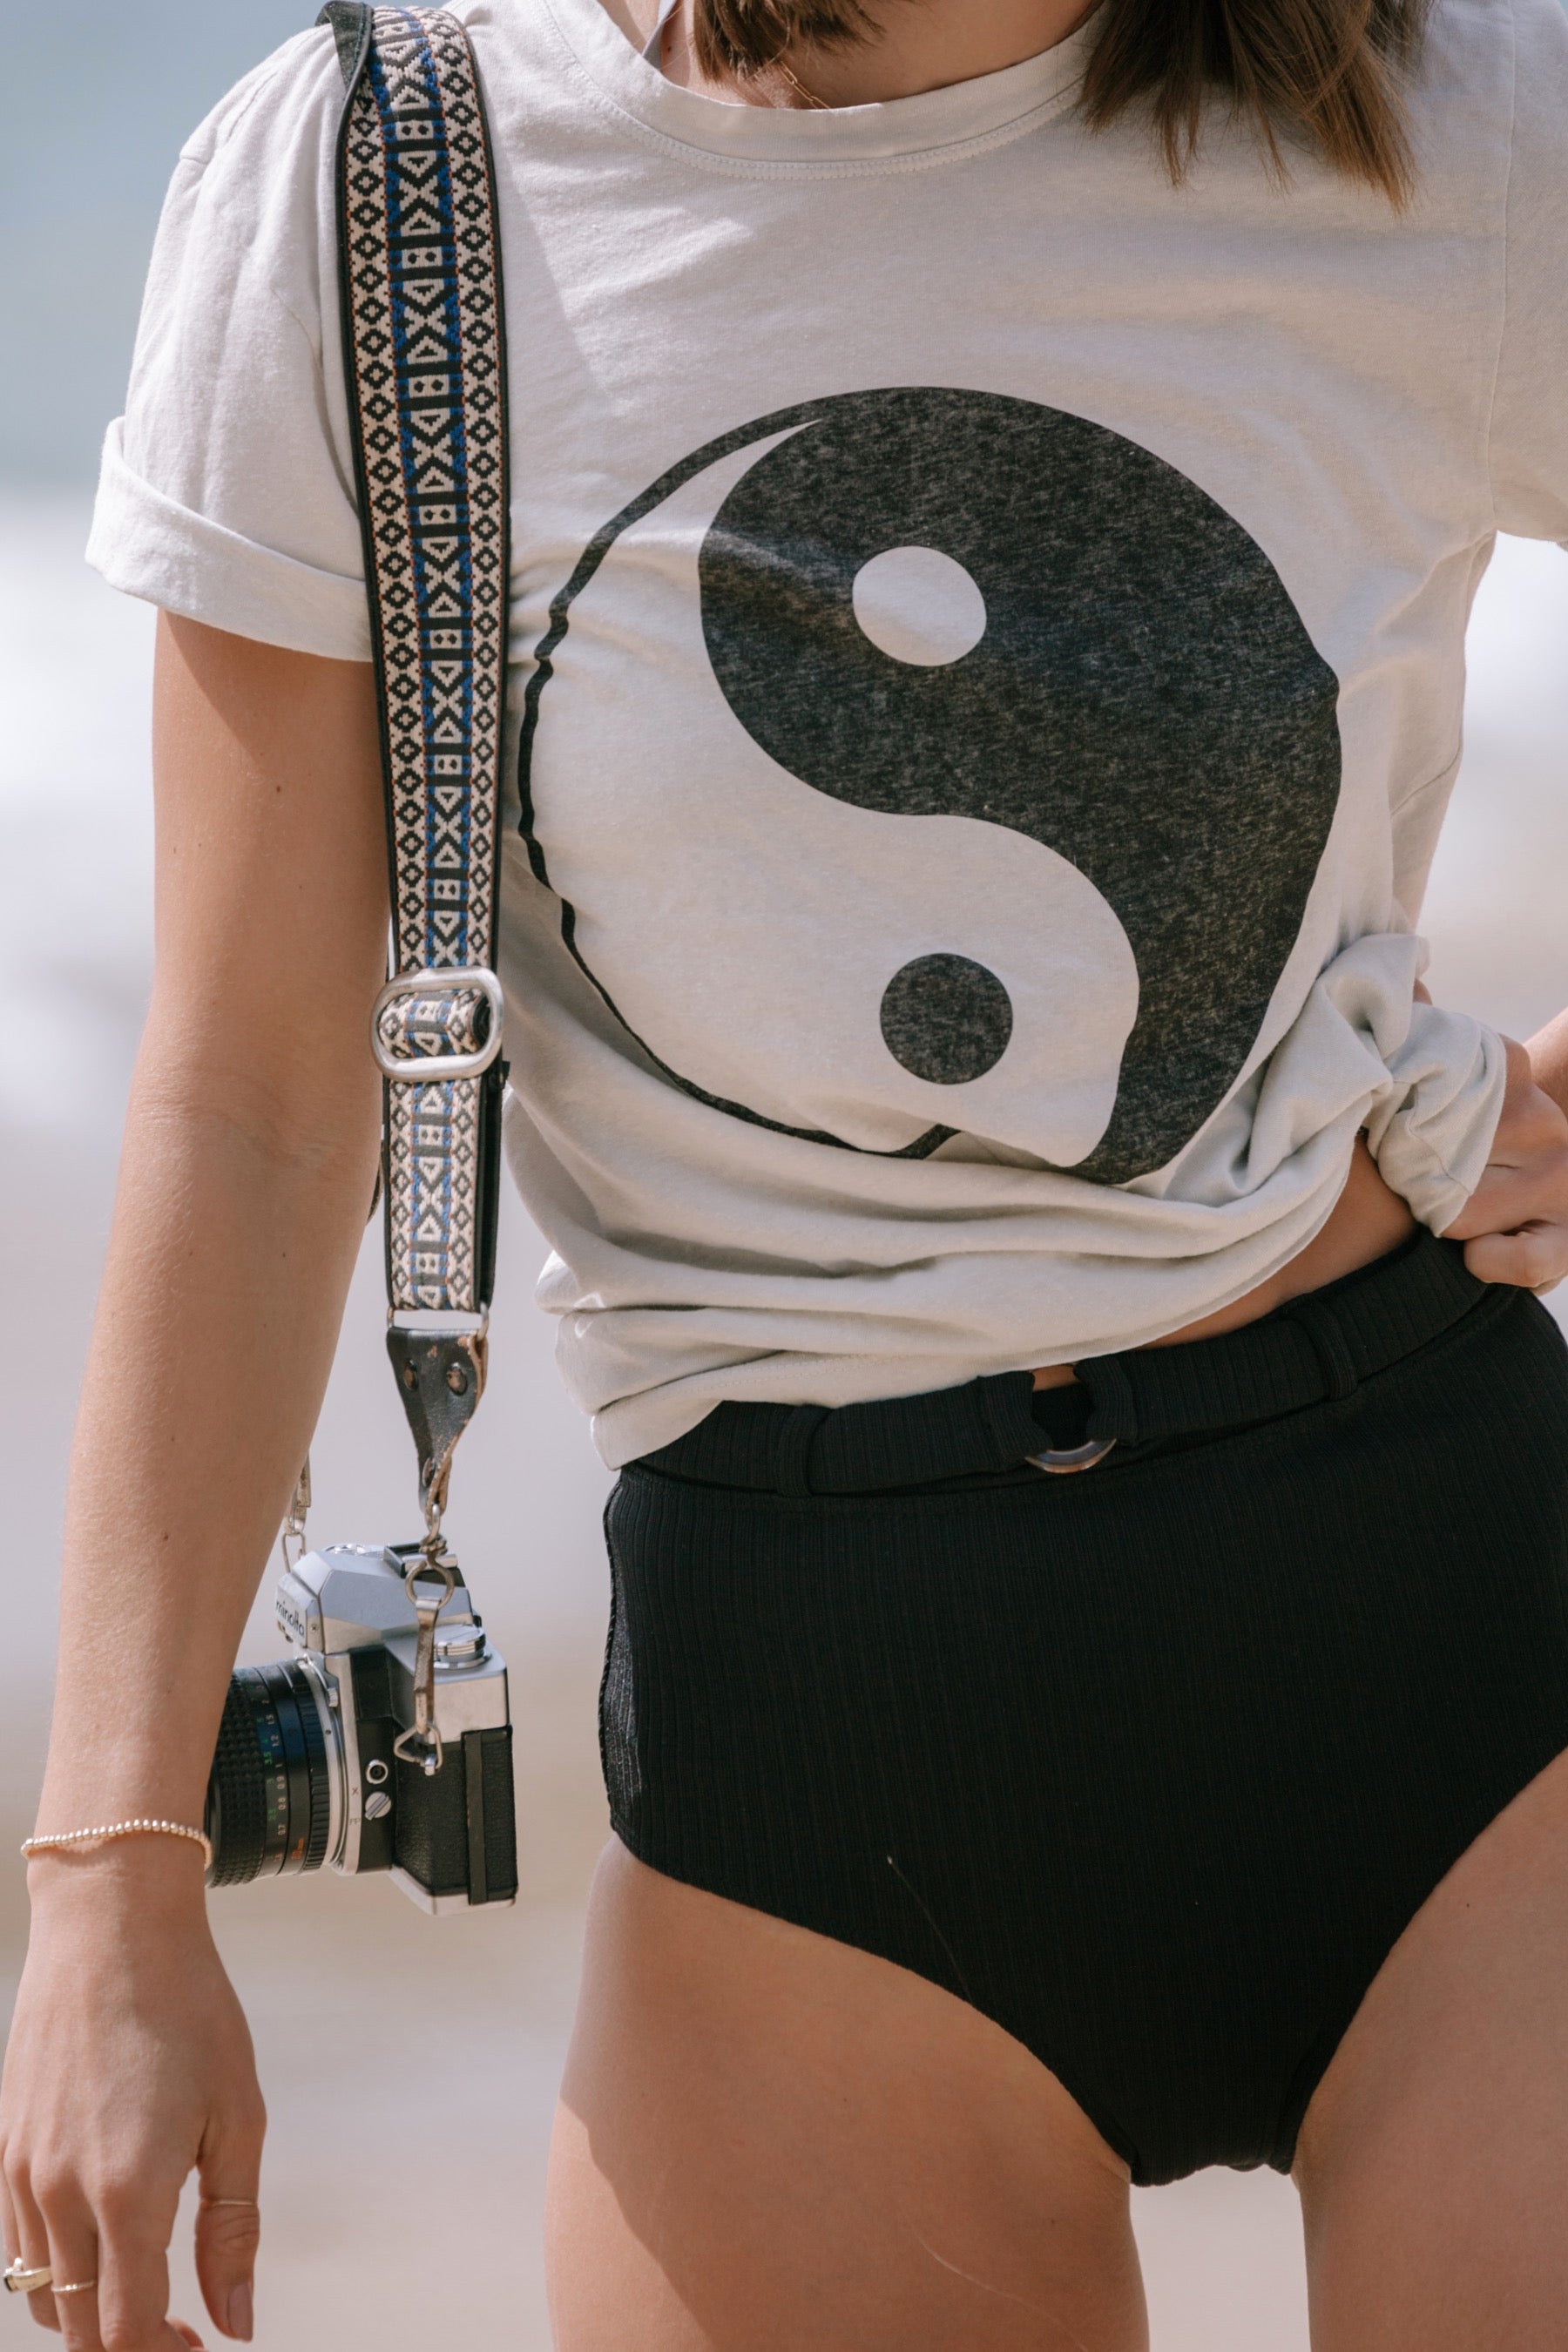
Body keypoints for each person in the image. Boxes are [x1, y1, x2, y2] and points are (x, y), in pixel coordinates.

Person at [5, 0, 1568, 2342]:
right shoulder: (389, 192)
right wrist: (110, 1875)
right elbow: (250, 1105)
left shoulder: (1435, 120)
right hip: (807, 1756)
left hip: (1462, 1654)